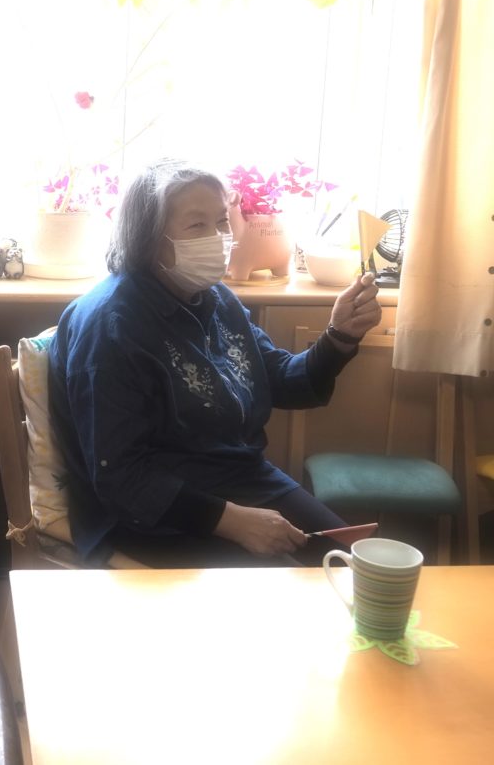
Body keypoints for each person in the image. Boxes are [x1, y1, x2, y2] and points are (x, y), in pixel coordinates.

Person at [47, 158, 382, 568]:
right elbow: (120, 477)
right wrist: (233, 522)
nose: (218, 237)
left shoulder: (216, 300)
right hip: (152, 517)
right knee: (300, 588)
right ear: (148, 237)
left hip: (239, 480)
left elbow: (280, 379)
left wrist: (339, 337)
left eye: (222, 221)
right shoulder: (110, 326)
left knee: (356, 565)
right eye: (197, 225)